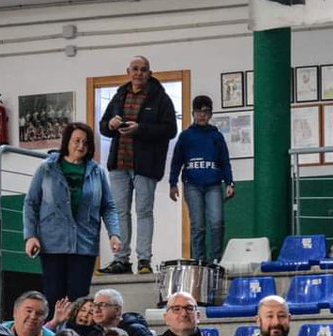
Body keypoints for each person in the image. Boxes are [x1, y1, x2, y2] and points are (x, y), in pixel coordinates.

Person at [23, 121, 122, 303]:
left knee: (79, 300)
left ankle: (75, 332)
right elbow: (31, 203)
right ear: (67, 142)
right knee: (54, 299)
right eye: (76, 141)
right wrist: (30, 236)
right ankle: (55, 332)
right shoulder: (46, 168)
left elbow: (108, 206)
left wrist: (114, 234)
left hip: (84, 245)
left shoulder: (98, 172)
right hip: (52, 245)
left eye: (85, 142)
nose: (81, 146)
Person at [98, 54, 178, 276]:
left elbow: (171, 130)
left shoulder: (161, 99)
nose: (139, 73)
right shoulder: (118, 96)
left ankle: (144, 260)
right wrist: (111, 124)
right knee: (120, 212)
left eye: (143, 69)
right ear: (128, 72)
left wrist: (140, 128)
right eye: (135, 69)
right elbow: (103, 127)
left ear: (149, 74)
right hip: (119, 164)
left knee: (144, 212)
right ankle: (121, 260)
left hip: (146, 166)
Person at [170, 94, 235, 263]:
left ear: (211, 114)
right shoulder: (185, 136)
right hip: (192, 185)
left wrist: (230, 182)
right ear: (193, 113)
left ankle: (216, 260)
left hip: (214, 185)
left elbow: (225, 161)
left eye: (206, 112)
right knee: (198, 225)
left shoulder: (217, 137)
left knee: (217, 222)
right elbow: (176, 161)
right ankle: (199, 260)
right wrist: (173, 183)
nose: (202, 115)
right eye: (198, 111)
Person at [77, 287, 153, 336]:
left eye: (102, 305)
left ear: (117, 310)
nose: (96, 310)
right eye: (94, 305)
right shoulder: (92, 335)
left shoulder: (136, 331)